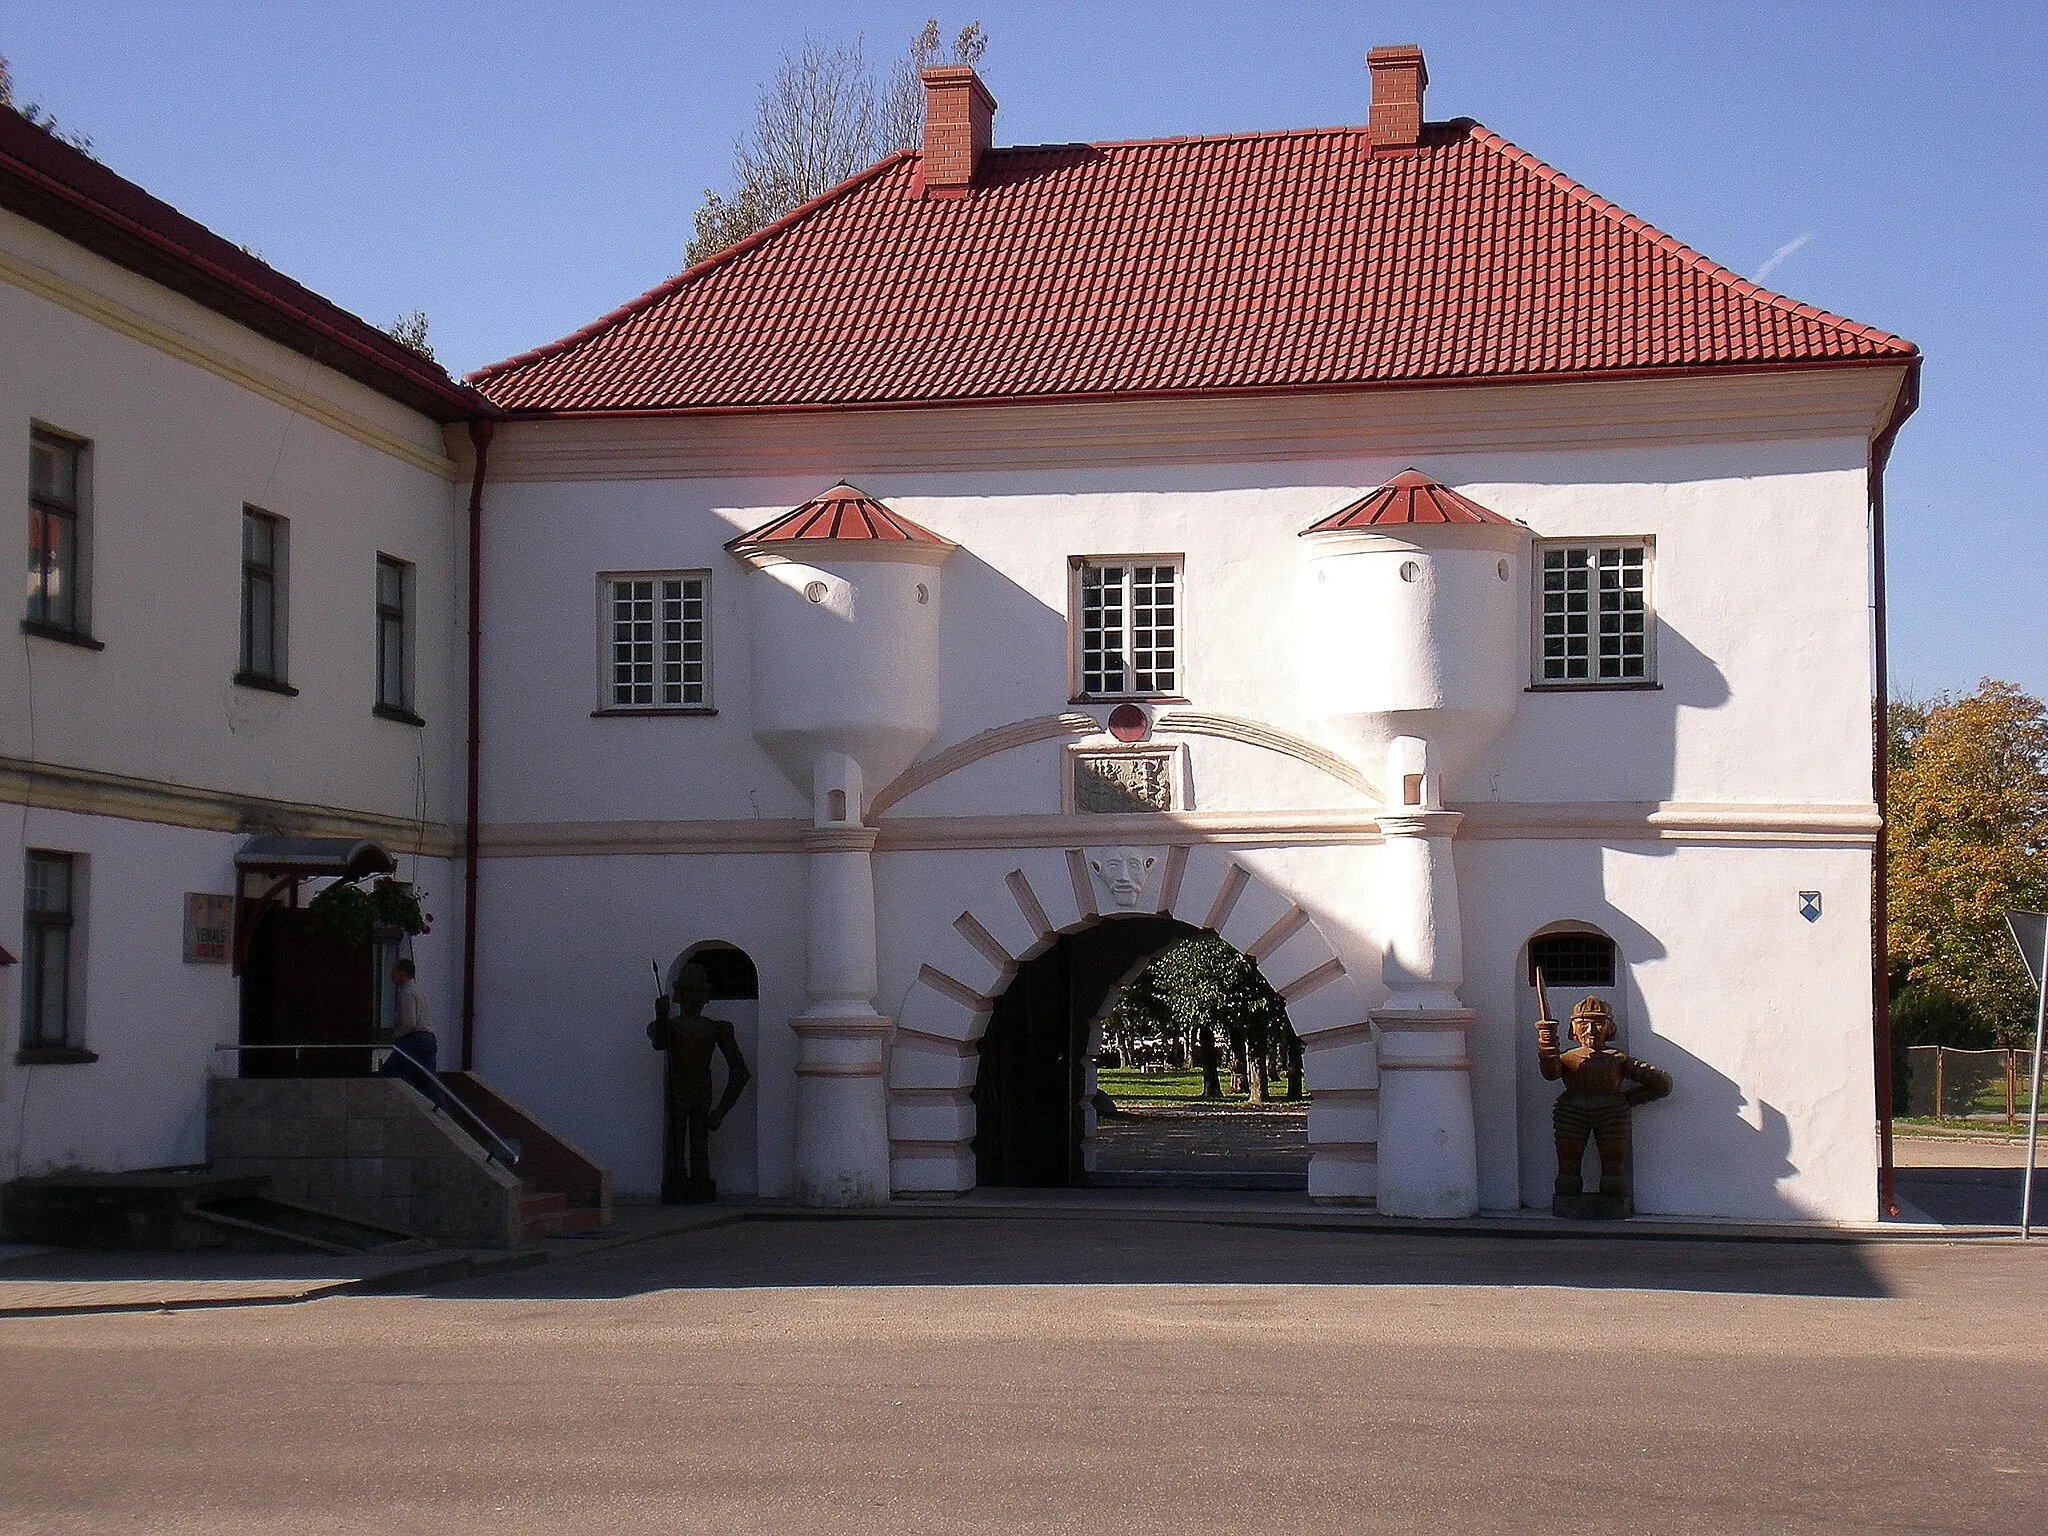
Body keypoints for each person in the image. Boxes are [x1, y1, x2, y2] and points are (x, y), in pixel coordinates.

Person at [1536, 993, 1670, 1211]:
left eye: (1598, 1024)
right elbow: (1550, 1072)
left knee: (1614, 1173)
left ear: (1610, 1028)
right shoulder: (1568, 1058)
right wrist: (1547, 1038)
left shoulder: (1617, 1059)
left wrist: (1626, 1100)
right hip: (1571, 1113)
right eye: (1584, 1024)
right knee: (1567, 1173)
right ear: (1573, 1029)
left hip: (1612, 1115)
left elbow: (1661, 1084)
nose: (1591, 1031)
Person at [648, 963, 752, 1203]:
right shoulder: (672, 1027)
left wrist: (721, 1110)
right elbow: (659, 1042)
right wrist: (661, 1016)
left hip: (700, 1090)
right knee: (676, 1143)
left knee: (698, 1143)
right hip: (679, 1089)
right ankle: (679, 1181)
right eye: (690, 991)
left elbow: (740, 1072)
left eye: (699, 992)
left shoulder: (717, 1028)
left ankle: (697, 1181)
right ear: (681, 995)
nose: (695, 997)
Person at [377, 957, 444, 1106]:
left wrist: (396, 1035)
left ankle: (383, 1104)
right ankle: (441, 1110)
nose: (391, 975)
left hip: (414, 1040)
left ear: (402, 974)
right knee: (427, 1078)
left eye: (394, 971)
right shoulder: (418, 991)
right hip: (428, 1039)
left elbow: (409, 1023)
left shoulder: (406, 993)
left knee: (391, 1072)